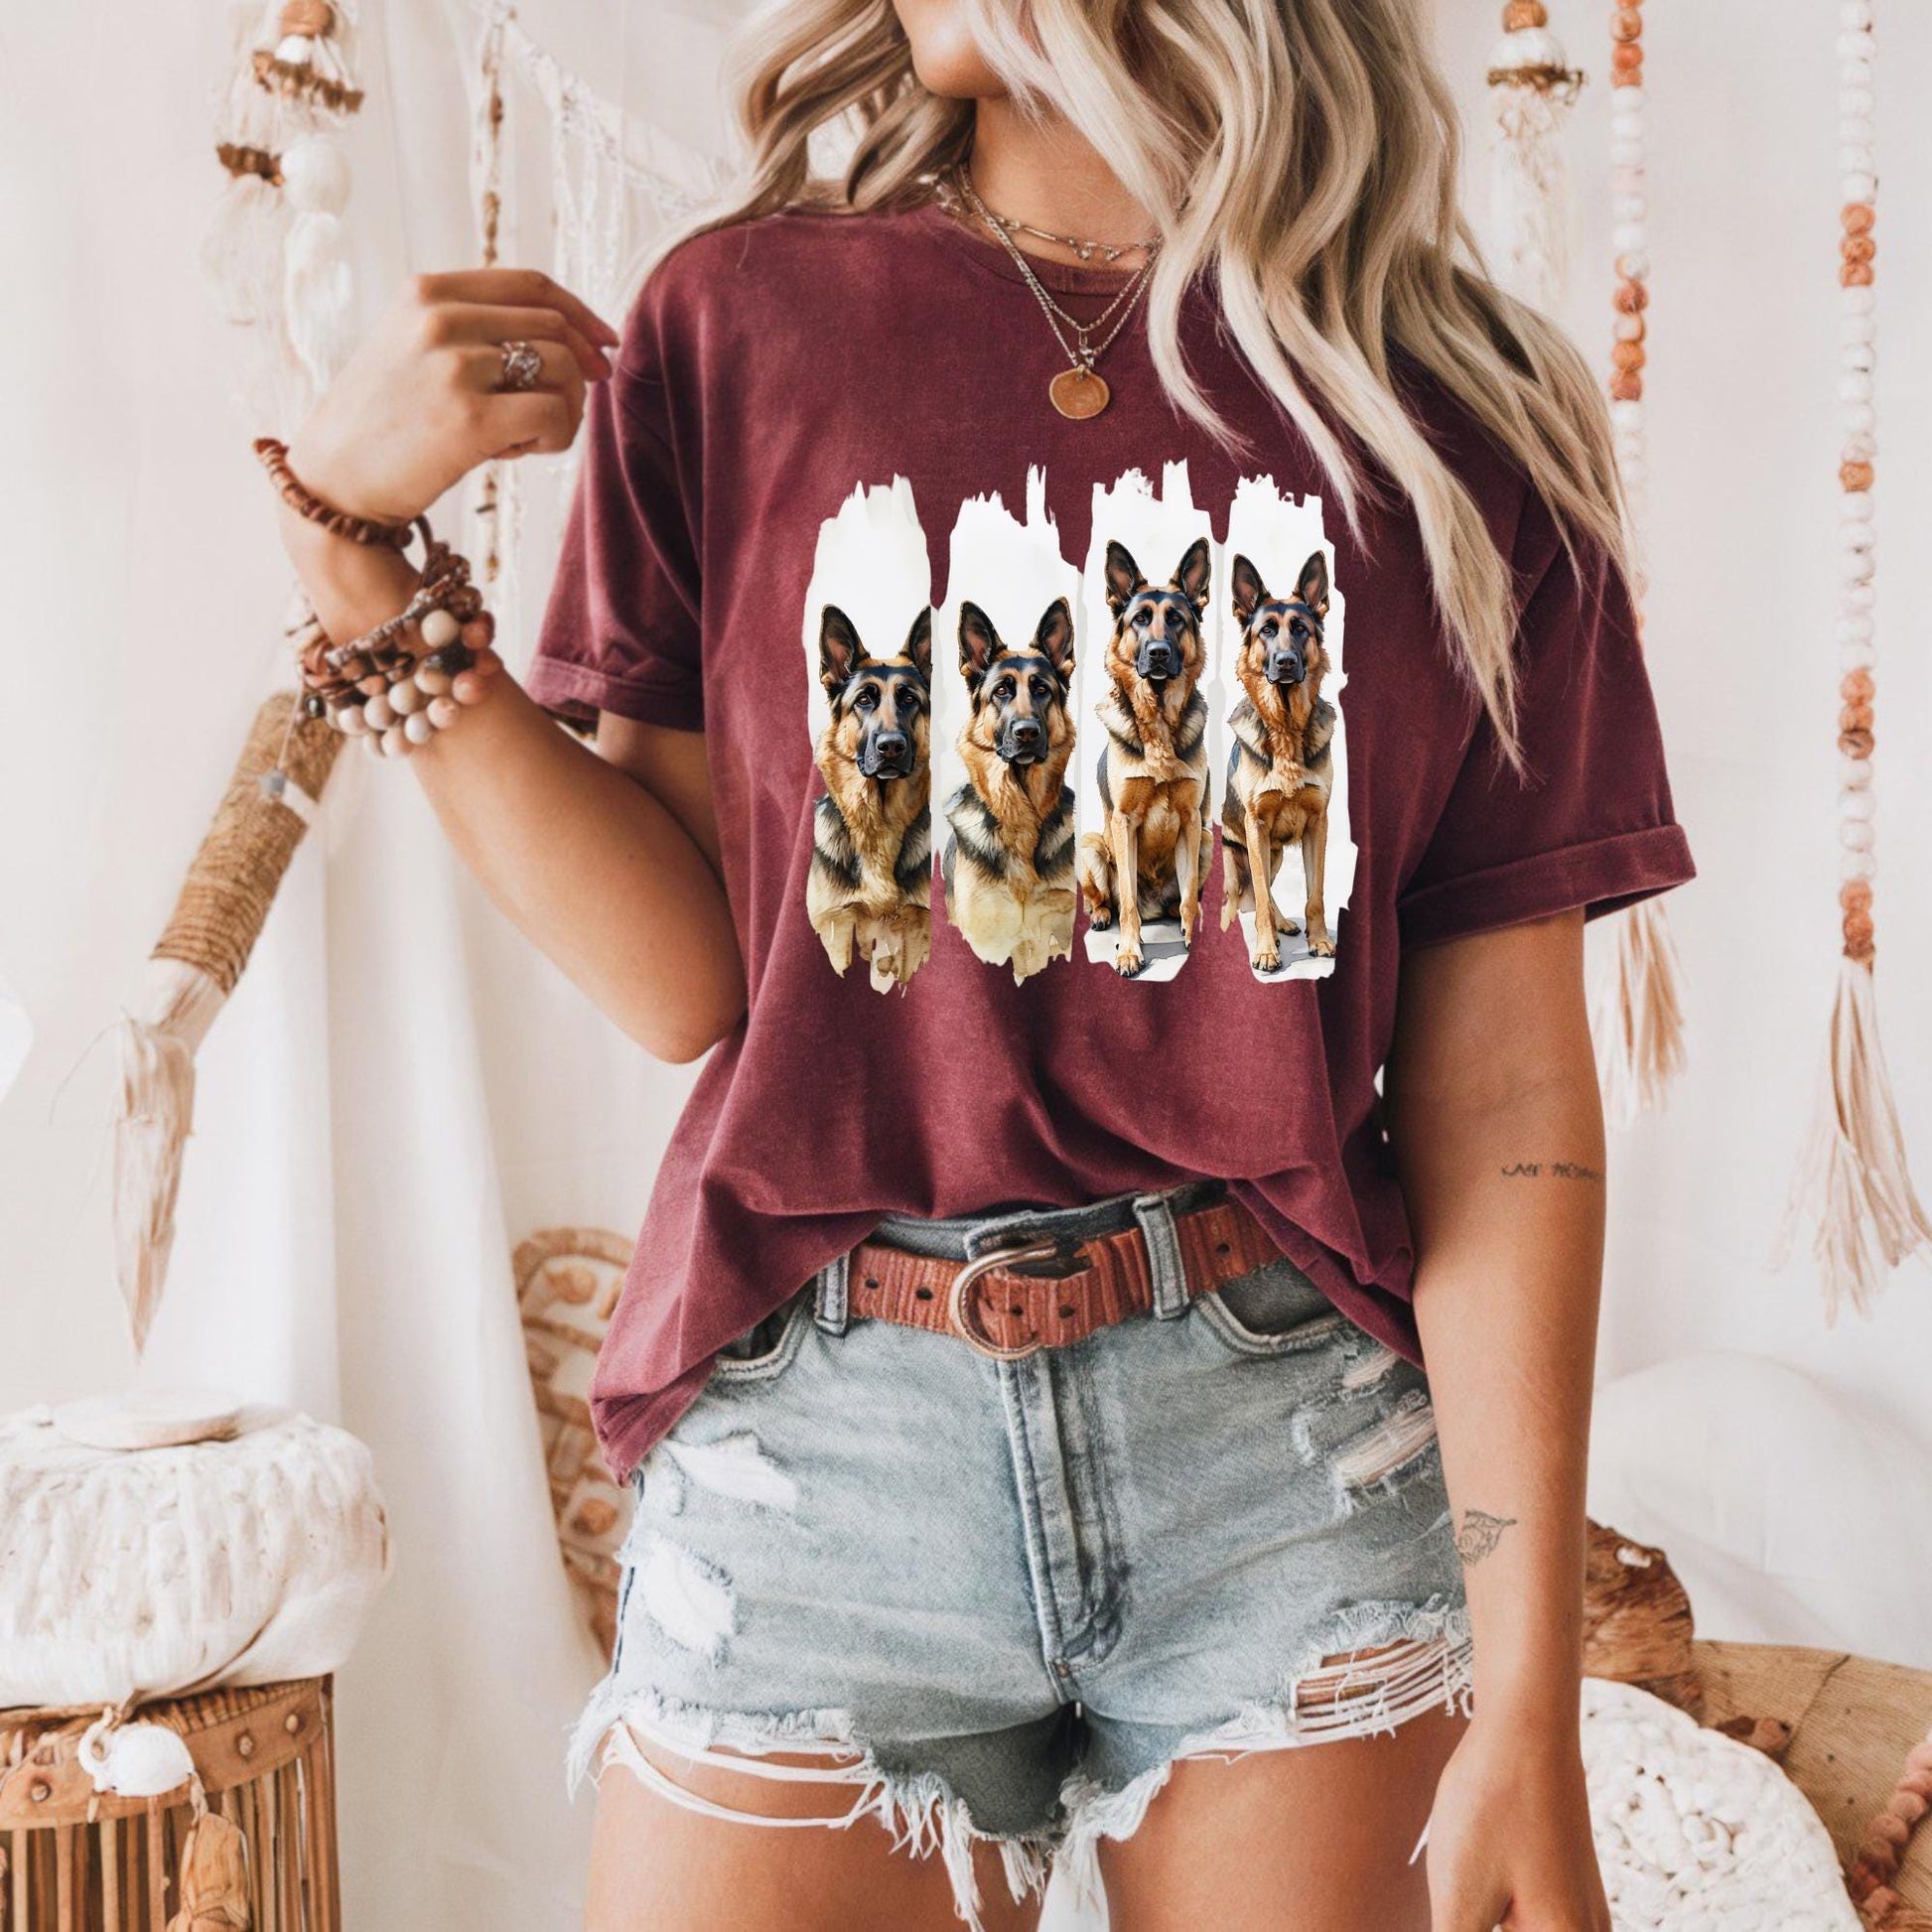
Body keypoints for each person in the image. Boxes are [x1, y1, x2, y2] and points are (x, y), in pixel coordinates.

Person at [272, 0, 1693, 1923]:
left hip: (1279, 1452)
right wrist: (355, 555)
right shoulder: (741, 322)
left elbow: (1505, 1097)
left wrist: (1527, 1696)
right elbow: (685, 975)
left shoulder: (1447, 410)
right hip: (824, 1431)